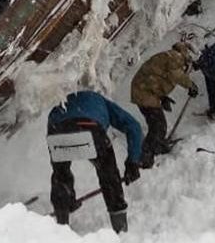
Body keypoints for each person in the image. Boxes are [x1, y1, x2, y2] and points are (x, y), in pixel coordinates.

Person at [47, 91, 143, 233]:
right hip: (90, 126)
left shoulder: (62, 101)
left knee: (60, 174)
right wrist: (133, 162)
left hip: (57, 129)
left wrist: (68, 197)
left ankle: (62, 221)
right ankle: (121, 230)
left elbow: (52, 128)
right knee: (109, 175)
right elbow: (134, 127)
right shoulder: (100, 100)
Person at [130, 42, 198, 167]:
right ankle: (145, 157)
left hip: (145, 90)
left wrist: (162, 97)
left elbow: (157, 77)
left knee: (158, 124)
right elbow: (177, 75)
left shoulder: (168, 57)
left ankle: (157, 146)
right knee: (157, 126)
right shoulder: (175, 57)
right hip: (143, 92)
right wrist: (191, 86)